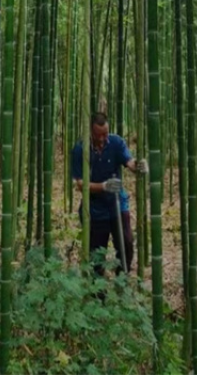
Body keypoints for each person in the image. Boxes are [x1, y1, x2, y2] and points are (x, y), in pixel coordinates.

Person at [71, 113, 148, 274]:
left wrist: (139, 165)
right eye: (97, 135)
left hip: (117, 204)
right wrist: (103, 186)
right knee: (97, 255)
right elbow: (80, 184)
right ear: (90, 132)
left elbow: (129, 162)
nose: (101, 138)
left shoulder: (116, 143)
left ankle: (122, 280)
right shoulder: (80, 149)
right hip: (94, 209)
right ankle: (98, 294)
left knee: (127, 243)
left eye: (105, 134)